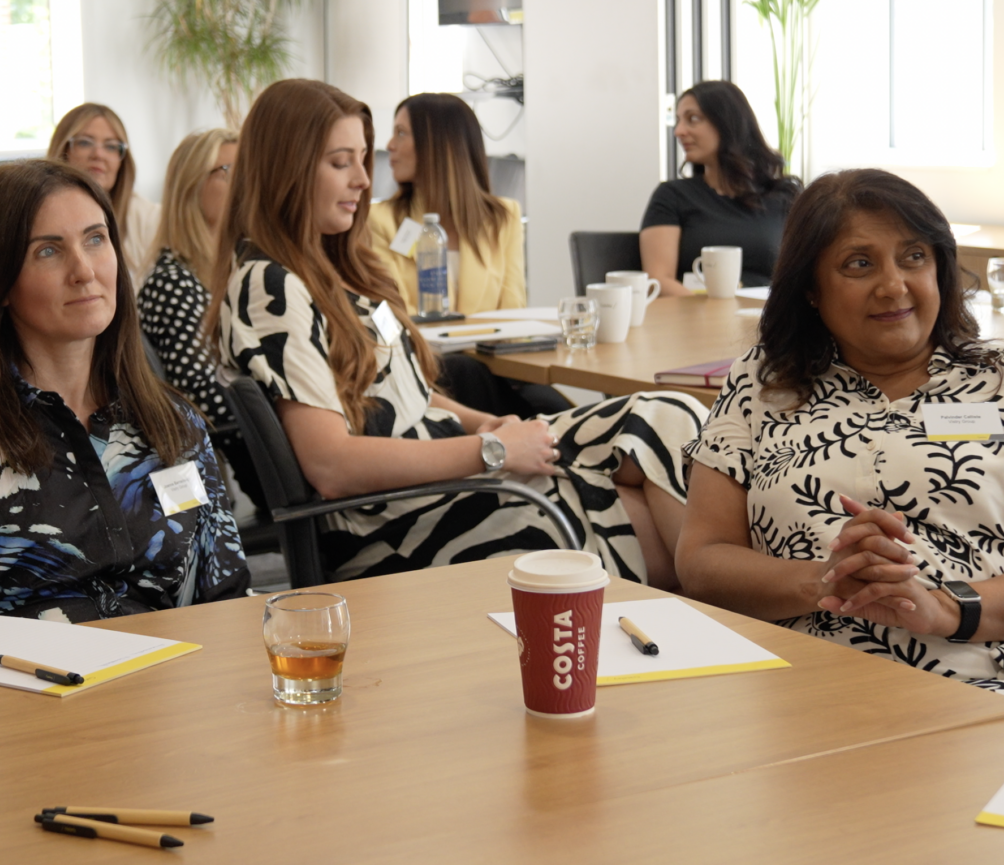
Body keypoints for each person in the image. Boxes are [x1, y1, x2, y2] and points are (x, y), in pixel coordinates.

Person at [675, 169, 1004, 724]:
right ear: (811, 288)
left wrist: (946, 608)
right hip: (797, 686)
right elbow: (702, 559)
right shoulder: (761, 384)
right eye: (858, 264)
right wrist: (823, 581)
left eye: (914, 257)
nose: (893, 286)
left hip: (998, 677)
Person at [211, 79, 703, 589]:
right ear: (285, 170)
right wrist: (492, 450)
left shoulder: (333, 271)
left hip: (446, 476)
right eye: (341, 163)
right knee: (635, 508)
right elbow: (330, 464)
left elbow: (410, 397)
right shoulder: (270, 286)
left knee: (669, 413)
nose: (363, 179)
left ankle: (719, 603)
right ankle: (727, 606)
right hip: (396, 521)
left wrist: (486, 424)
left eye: (362, 159)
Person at [0, 159, 249, 642]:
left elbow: (227, 598)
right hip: (12, 685)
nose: (84, 271)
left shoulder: (172, 423)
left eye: (96, 239)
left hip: (174, 680)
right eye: (48, 251)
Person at [368, 92, 565, 417]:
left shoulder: (503, 217)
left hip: (496, 369)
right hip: (424, 369)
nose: (389, 144)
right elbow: (387, 312)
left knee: (556, 410)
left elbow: (512, 311)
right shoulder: (380, 221)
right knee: (466, 373)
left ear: (439, 145)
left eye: (401, 133)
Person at [137, 128, 259, 495]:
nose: (245, 184)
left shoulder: (232, 266)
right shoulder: (171, 282)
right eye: (229, 171)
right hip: (258, 456)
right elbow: (204, 399)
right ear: (192, 186)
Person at [640, 81, 800, 296]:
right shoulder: (672, 196)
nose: (679, 131)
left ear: (727, 122)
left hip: (768, 312)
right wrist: (714, 311)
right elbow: (659, 279)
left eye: (692, 119)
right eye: (678, 121)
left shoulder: (785, 196)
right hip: (696, 313)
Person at [48, 103, 161, 277]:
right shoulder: (38, 214)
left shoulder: (149, 218)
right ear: (63, 150)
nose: (98, 154)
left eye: (111, 146)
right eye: (85, 143)